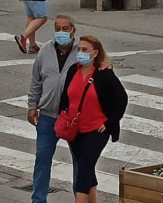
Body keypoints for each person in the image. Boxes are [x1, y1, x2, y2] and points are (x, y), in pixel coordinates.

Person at [27, 17, 112, 203]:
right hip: (48, 116)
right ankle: (38, 200)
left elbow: (99, 61)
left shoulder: (81, 50)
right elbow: (36, 82)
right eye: (57, 28)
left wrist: (106, 64)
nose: (61, 32)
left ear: (73, 30)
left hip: (73, 117)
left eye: (65, 28)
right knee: (42, 158)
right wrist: (32, 106)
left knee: (81, 162)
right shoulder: (45, 52)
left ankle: (80, 197)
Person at [59, 36, 127, 203]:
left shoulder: (104, 74)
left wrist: (110, 123)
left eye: (85, 50)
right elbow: (66, 97)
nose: (80, 53)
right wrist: (64, 114)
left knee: (84, 168)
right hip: (75, 129)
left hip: (96, 130)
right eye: (79, 49)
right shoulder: (73, 71)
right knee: (86, 167)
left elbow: (121, 99)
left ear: (95, 53)